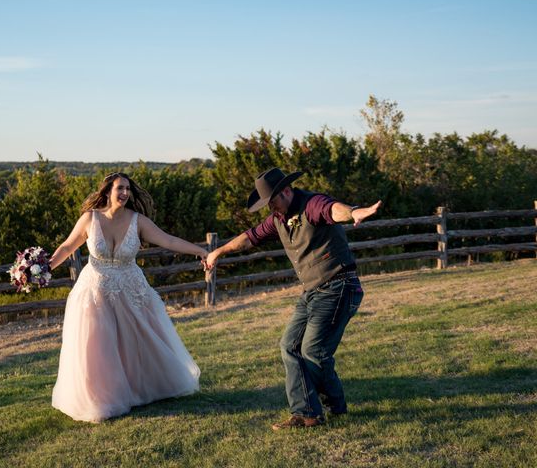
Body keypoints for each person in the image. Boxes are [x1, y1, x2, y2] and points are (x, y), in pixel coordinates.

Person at [206, 167, 382, 430]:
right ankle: (321, 409)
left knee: (313, 350)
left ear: (286, 191)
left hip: (338, 286)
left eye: (272, 201)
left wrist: (354, 212)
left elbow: (332, 209)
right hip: (312, 291)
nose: (270, 208)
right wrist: (218, 252)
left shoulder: (311, 204)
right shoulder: (278, 217)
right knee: (289, 346)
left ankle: (313, 412)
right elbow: (250, 238)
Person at [49, 172, 207, 422]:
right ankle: (102, 398)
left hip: (131, 289)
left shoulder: (138, 221)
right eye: (119, 188)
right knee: (98, 346)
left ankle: (141, 388)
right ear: (107, 192)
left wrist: (200, 251)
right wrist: (44, 269)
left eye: (127, 189)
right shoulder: (90, 219)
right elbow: (68, 247)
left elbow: (168, 240)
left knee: (137, 341)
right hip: (95, 291)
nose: (124, 193)